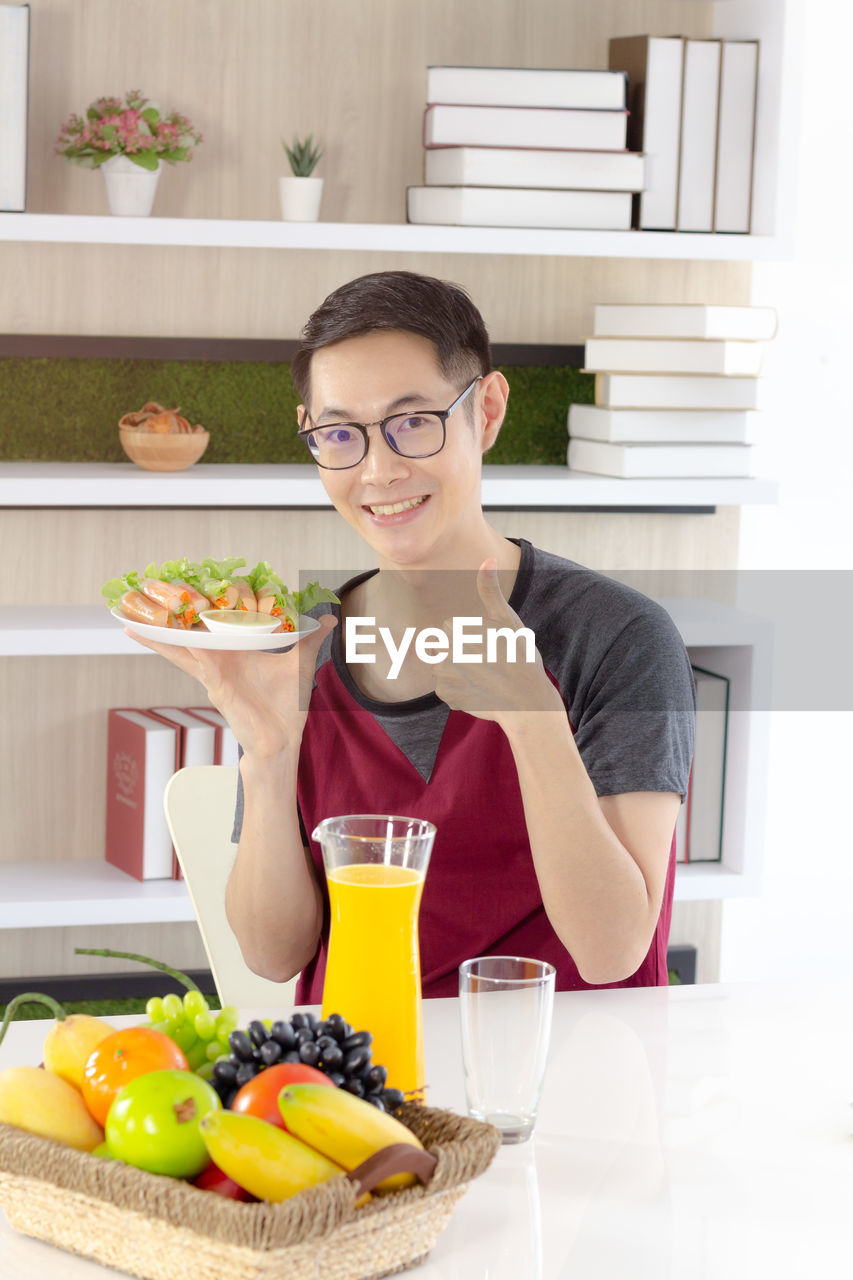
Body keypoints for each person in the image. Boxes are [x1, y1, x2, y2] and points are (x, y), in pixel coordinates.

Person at [132, 270, 695, 1000]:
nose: (378, 470)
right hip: (365, 1083)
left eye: (413, 421)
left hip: (561, 1079)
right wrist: (269, 760)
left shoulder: (617, 637)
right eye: (339, 434)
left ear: (485, 410)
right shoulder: (302, 646)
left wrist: (534, 723)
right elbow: (273, 957)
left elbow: (612, 952)